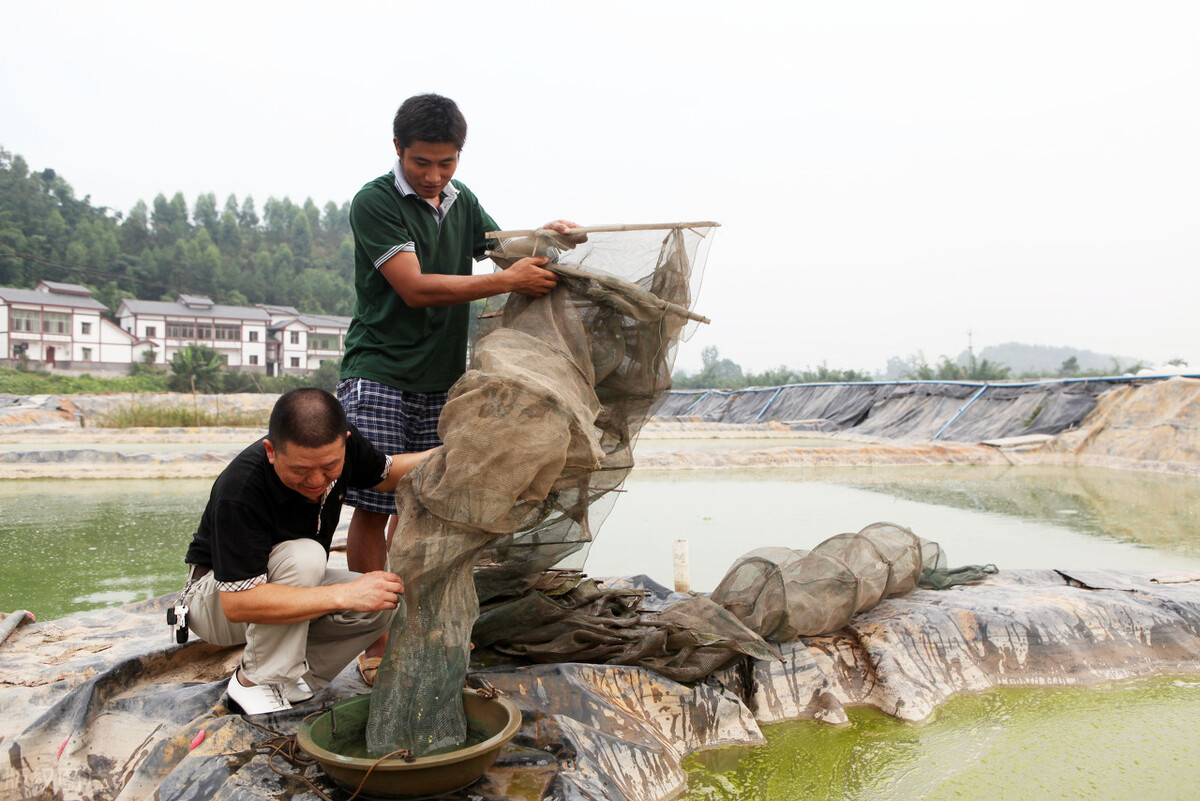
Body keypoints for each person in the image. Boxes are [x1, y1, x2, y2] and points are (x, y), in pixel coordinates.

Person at [337, 92, 575, 684]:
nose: (434, 174)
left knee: (420, 500)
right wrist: (505, 281)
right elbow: (414, 286)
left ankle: (415, 623)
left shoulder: (459, 199)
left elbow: (497, 247)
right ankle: (376, 639)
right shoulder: (374, 202)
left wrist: (543, 239)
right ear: (398, 149)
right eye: (422, 162)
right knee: (373, 504)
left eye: (446, 163)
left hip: (442, 379)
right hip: (381, 374)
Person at [179, 388, 429, 715]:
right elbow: (238, 604)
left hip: (281, 589)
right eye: (299, 470)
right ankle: (252, 681)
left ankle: (292, 680)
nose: (316, 480)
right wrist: (342, 595)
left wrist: (454, 453)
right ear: (271, 451)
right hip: (214, 604)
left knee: (382, 601)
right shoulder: (241, 491)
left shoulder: (343, 448)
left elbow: (388, 474)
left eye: (330, 467)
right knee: (305, 557)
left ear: (345, 441)